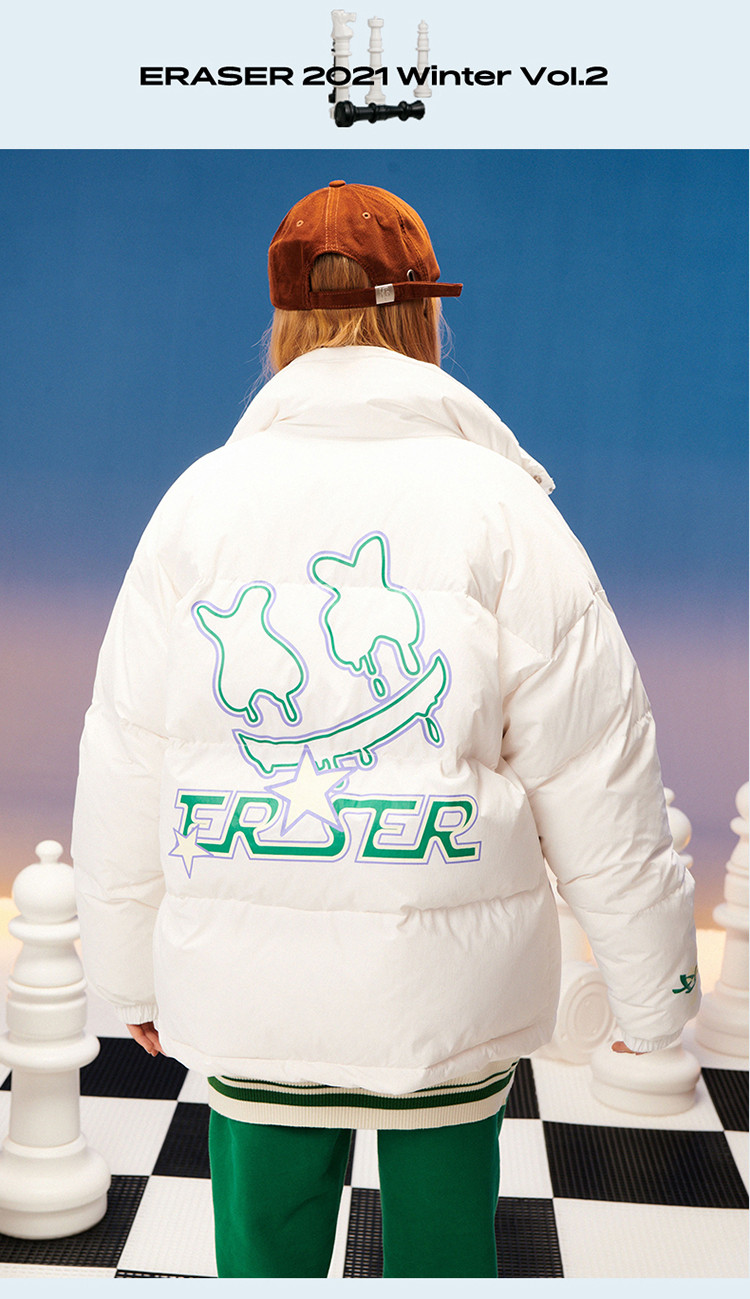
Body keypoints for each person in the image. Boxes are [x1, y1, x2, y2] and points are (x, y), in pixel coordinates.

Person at [72, 180, 700, 1279]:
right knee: (443, 1256)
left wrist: (128, 974)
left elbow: (129, 754)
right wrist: (652, 993)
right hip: (445, 992)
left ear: (283, 318)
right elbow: (598, 766)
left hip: (253, 990)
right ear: (422, 316)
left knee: (260, 1256)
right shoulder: (502, 509)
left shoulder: (198, 504)